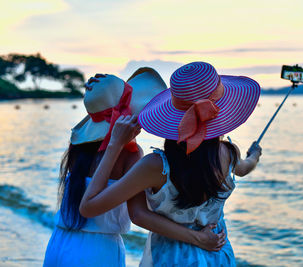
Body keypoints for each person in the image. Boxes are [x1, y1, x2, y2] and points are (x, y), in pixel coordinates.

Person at [79, 61, 262, 266]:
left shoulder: (155, 166)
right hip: (217, 255)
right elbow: (245, 167)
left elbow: (91, 208)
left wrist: (114, 144)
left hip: (171, 259)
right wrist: (254, 155)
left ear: (172, 116)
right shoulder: (228, 153)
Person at [43, 69, 225, 267]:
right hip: (97, 251)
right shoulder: (130, 154)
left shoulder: (78, 149)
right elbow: (137, 213)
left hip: (58, 242)